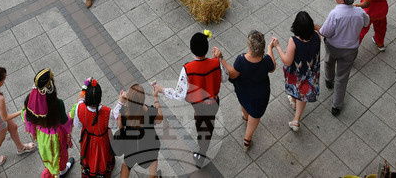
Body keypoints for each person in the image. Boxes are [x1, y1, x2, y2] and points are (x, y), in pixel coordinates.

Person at [154, 31, 225, 167]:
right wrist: (219, 59)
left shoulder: (187, 69)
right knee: (209, 124)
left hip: (199, 107)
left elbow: (179, 95)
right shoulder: (216, 63)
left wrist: (162, 89)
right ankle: (203, 145)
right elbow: (225, 77)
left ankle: (201, 154)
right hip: (214, 103)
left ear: (192, 49)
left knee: (203, 130)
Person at [212, 31, 275, 150]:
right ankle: (247, 139)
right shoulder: (266, 60)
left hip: (243, 91)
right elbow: (273, 68)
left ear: (249, 46)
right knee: (255, 115)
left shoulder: (241, 60)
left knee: (245, 103)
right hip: (260, 95)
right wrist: (270, 49)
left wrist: (220, 58)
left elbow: (232, 75)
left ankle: (245, 117)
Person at [316, 0, 368, 116]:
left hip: (333, 47)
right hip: (350, 50)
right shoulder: (360, 12)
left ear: (342, 0)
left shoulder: (335, 13)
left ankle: (329, 79)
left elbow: (325, 32)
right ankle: (336, 106)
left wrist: (317, 27)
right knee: (342, 78)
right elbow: (366, 22)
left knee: (328, 62)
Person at [22, 68, 75, 178]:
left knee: (47, 155)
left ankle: (53, 171)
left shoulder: (30, 100)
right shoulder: (58, 104)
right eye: (52, 79)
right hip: (55, 138)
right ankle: (62, 171)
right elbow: (65, 122)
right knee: (60, 156)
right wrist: (75, 110)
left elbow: (26, 117)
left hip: (41, 136)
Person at [271, 12, 319, 131]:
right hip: (310, 72)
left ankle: (296, 119)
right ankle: (294, 106)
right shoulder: (317, 35)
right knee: (302, 93)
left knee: (298, 91)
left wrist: (277, 46)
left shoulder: (294, 41)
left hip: (298, 74)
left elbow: (287, 61)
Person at [112, 84, 162, 178]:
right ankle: (153, 177)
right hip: (148, 145)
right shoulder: (150, 111)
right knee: (153, 159)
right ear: (143, 100)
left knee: (126, 165)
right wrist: (155, 98)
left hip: (131, 146)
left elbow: (120, 126)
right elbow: (160, 120)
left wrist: (124, 102)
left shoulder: (123, 111)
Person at [68, 78, 115, 178]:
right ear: (100, 96)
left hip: (87, 139)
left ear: (86, 97)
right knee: (102, 156)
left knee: (90, 156)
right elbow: (113, 125)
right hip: (102, 140)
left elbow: (77, 125)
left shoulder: (80, 107)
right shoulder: (107, 111)